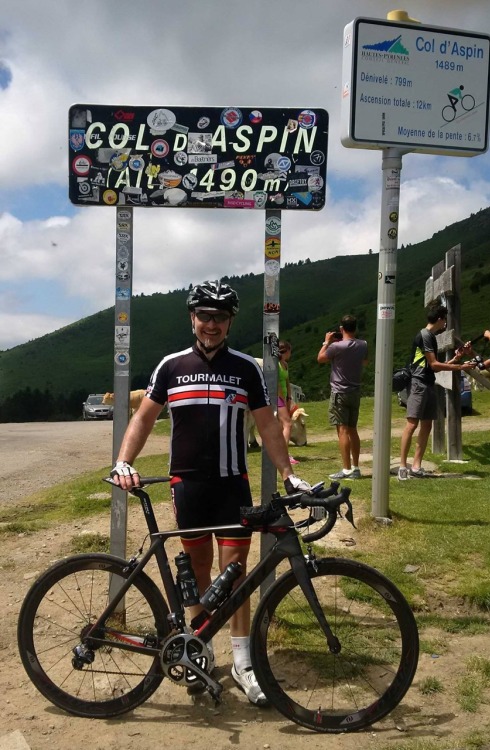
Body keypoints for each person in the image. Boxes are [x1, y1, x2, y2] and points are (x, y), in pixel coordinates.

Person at [110, 280, 311, 706]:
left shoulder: (245, 368)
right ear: (192, 318)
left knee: (235, 577)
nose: (211, 324)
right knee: (197, 574)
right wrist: (124, 459)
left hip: (231, 485)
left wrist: (289, 474)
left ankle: (243, 662)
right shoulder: (170, 367)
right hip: (188, 487)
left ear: (230, 321)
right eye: (204, 315)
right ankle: (202, 651)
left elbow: (270, 426)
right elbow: (144, 419)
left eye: (219, 317)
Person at [398, 305, 474, 481]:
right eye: (445, 319)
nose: (445, 322)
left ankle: (416, 466)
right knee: (412, 425)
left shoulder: (431, 337)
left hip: (428, 383)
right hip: (418, 384)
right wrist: (460, 367)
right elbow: (434, 365)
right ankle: (403, 466)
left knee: (426, 425)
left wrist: (457, 357)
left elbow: (434, 368)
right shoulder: (425, 336)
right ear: (440, 318)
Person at [317, 315, 368, 480]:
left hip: (340, 392)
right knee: (353, 430)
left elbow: (320, 358)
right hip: (355, 391)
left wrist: (326, 341)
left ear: (341, 329)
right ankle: (356, 468)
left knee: (343, 431)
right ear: (355, 328)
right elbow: (365, 362)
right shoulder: (363, 344)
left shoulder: (337, 347)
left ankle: (346, 470)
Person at [277, 341, 298, 465]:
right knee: (288, 424)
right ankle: (284, 455)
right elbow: (278, 384)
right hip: (277, 398)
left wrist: (289, 397)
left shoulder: (284, 364)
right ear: (287, 351)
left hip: (284, 397)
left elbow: (287, 381)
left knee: (281, 426)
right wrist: (283, 399)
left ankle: (280, 452)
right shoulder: (276, 365)